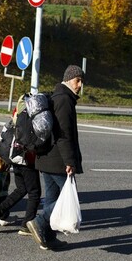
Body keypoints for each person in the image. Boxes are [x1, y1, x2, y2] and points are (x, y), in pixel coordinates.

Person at [26, 65, 84, 251]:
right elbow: (63, 134)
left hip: (45, 158)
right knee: (65, 199)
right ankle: (39, 222)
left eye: (81, 81)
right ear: (68, 79)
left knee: (52, 199)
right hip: (58, 160)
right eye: (78, 80)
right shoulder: (65, 100)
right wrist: (70, 162)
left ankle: (47, 237)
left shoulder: (55, 96)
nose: (80, 85)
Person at [0, 97, 42, 235]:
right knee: (34, 192)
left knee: (21, 188)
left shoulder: (17, 115)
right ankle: (26, 225)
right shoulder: (31, 117)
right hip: (26, 159)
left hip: (14, 157)